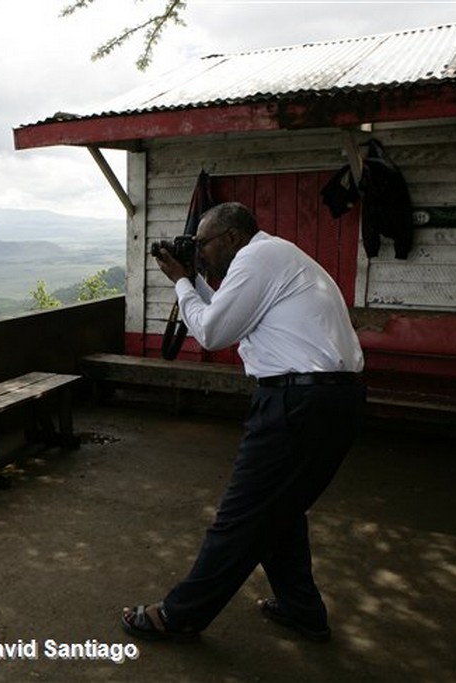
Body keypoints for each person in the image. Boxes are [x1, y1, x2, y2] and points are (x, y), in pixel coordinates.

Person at [122, 201, 366, 643]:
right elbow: (228, 313)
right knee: (280, 512)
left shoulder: (256, 257)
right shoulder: (273, 256)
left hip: (300, 402)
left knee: (241, 516)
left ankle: (181, 615)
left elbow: (213, 332)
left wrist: (181, 283)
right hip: (325, 400)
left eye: (203, 245)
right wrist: (191, 278)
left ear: (231, 238)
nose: (201, 254)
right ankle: (302, 610)